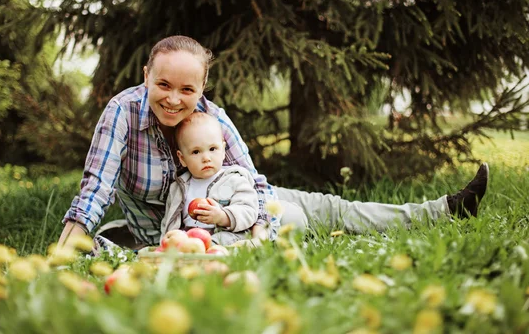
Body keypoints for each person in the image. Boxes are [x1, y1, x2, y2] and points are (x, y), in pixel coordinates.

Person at [58, 35, 489, 249]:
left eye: (187, 90)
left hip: (237, 202)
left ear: (202, 87)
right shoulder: (123, 113)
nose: (174, 99)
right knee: (299, 220)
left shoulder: (215, 119)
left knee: (331, 206)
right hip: (191, 235)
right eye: (164, 84)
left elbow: (251, 178)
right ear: (146, 75)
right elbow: (97, 186)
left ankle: (444, 210)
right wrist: (65, 249)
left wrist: (260, 223)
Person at [160, 112, 259, 246]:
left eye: (212, 149)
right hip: (190, 240)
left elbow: (249, 211)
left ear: (223, 150)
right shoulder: (179, 187)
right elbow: (168, 222)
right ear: (182, 158)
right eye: (196, 152)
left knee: (229, 241)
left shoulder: (235, 180)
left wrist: (223, 217)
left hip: (224, 236)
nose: (206, 158)